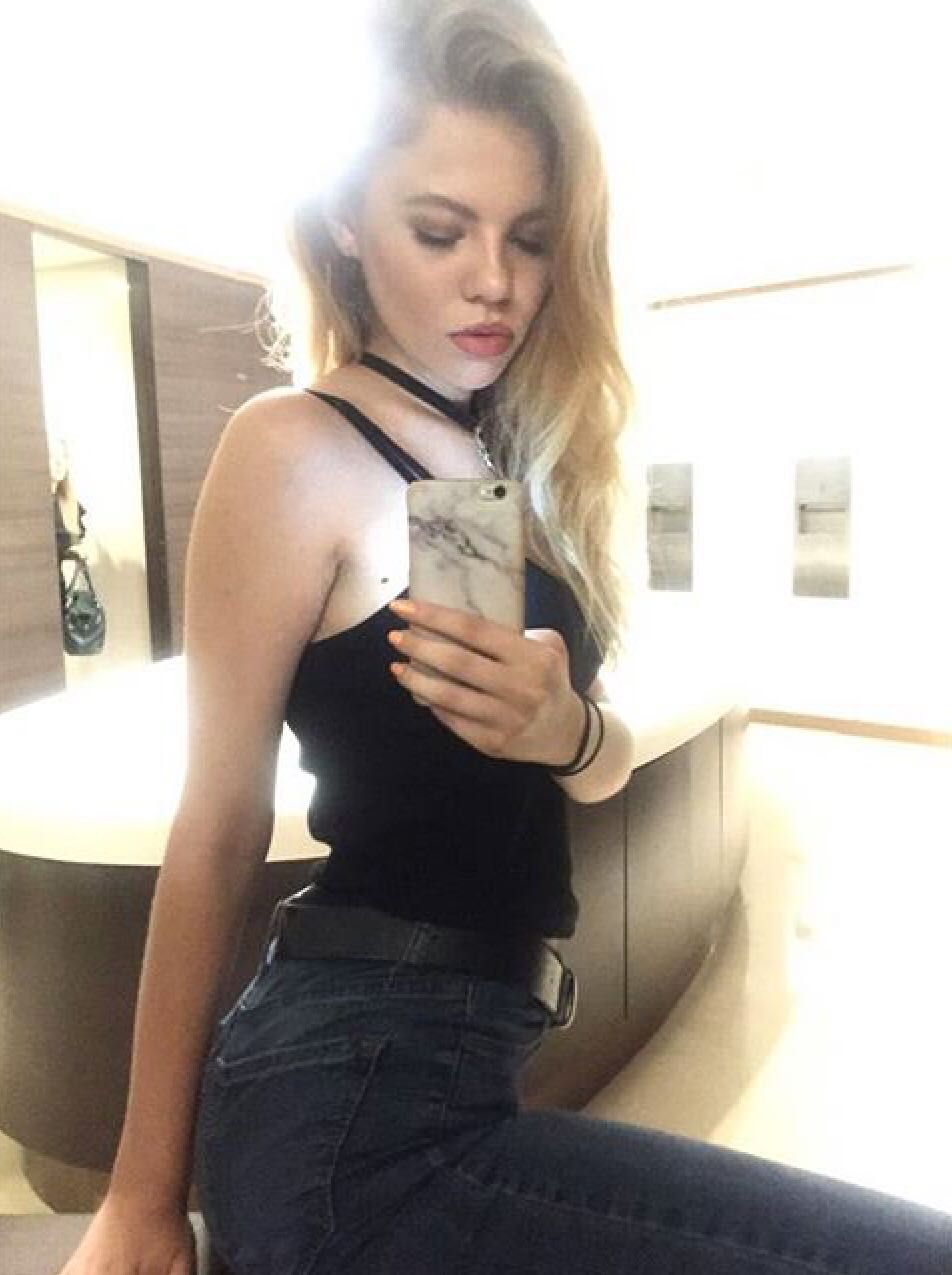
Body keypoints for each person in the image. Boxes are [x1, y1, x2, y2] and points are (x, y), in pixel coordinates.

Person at [61, 2, 952, 1272]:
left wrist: (564, 727)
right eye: (441, 230)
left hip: (462, 1067)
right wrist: (143, 1198)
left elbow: (590, 771)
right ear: (349, 225)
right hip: (347, 1108)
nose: (495, 280)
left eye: (529, 238)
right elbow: (216, 828)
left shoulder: (491, 460)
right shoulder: (295, 446)